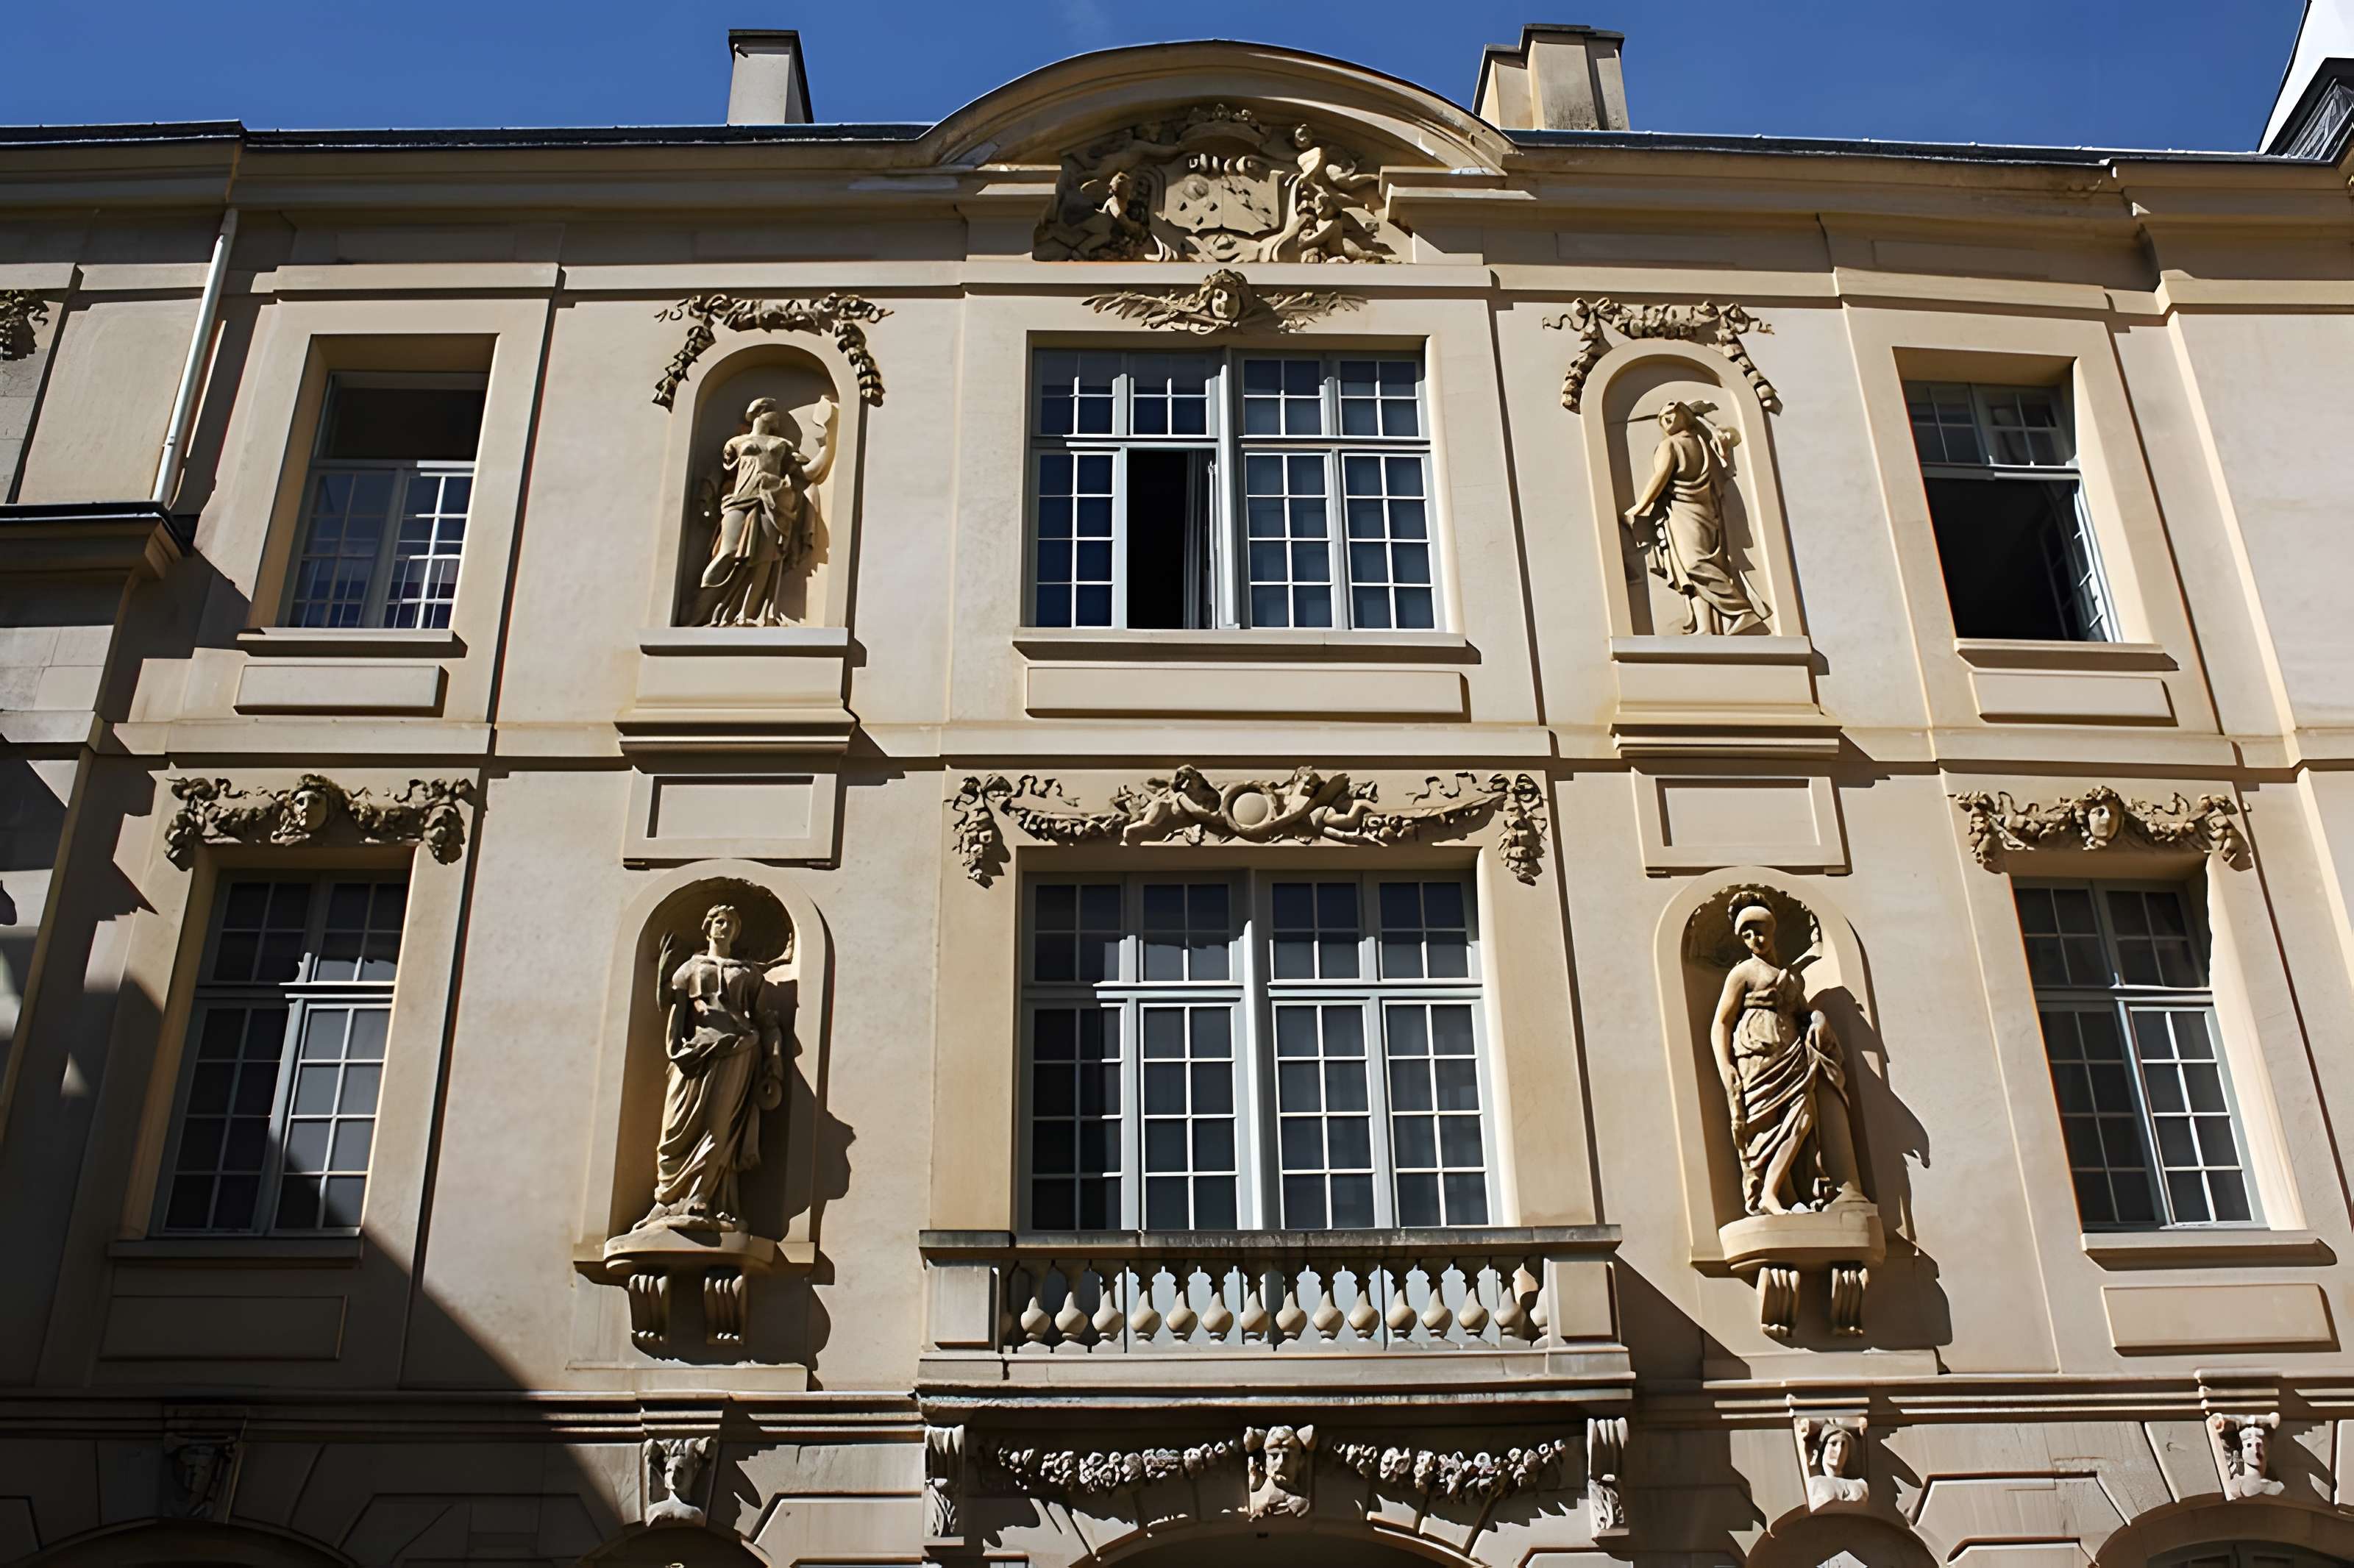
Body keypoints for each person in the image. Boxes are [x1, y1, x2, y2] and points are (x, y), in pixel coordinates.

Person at [1710, 897, 1862, 1214]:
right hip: (1756, 1055)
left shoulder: (1792, 977)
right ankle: (1774, 1195)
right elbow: (1722, 1022)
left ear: (1772, 929)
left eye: (1760, 930)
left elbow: (1803, 1013)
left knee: (1803, 1118)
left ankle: (1775, 1193)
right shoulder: (1743, 973)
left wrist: (1818, 1019)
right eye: (1748, 934)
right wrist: (1725, 1066)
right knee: (1765, 1127)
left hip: (1792, 1053)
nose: (1755, 939)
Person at [642, 903, 787, 1232]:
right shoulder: (689, 968)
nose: (725, 928)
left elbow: (766, 1021)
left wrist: (774, 1067)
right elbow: (671, 1004)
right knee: (674, 1130)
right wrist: (665, 974)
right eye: (719, 922)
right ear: (708, 927)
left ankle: (703, 1198)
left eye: (731, 924)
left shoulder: (748, 973)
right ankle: (667, 1199)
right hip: (693, 1056)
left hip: (738, 1050)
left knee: (717, 1125)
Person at [1624, 400, 1769, 635]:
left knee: (1695, 564)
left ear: (1685, 415)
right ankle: (1706, 627)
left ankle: (1743, 611)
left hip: (1687, 514)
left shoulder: (1670, 446)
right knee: (1687, 574)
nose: (1667, 419)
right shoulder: (1703, 444)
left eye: (1671, 413)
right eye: (1662, 417)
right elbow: (1722, 476)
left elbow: (1660, 478)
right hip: (1702, 514)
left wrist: (1639, 507)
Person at [697, 395, 836, 627]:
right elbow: (717, 474)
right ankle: (700, 612)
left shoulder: (783, 445)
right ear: (760, 411)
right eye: (775, 413)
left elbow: (806, 474)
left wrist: (828, 442)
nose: (778, 419)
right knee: (727, 552)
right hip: (739, 501)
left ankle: (748, 615)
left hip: (772, 503)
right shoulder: (736, 443)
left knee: (766, 561)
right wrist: (706, 499)